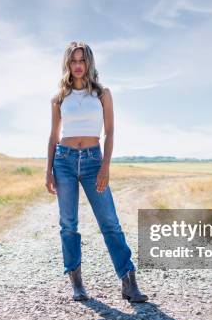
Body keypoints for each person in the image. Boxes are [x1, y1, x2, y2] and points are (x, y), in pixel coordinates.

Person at [45, 41, 148, 303]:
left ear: (89, 63)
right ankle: (77, 282)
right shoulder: (59, 98)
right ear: (67, 64)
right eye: (73, 61)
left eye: (82, 60)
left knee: (109, 222)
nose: (78, 66)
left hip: (93, 161)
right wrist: (48, 170)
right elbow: (53, 136)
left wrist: (105, 166)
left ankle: (128, 281)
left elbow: (110, 131)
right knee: (68, 224)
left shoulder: (102, 94)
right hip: (64, 161)